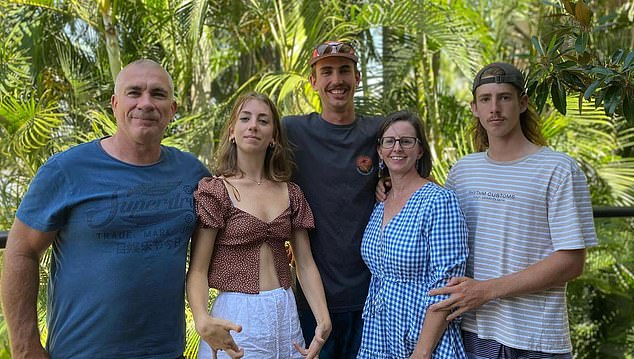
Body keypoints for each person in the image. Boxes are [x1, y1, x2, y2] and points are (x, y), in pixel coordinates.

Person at [0, 59, 222, 358]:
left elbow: (226, 233)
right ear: (115, 104)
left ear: (172, 109)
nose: (145, 103)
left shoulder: (193, 173)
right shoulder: (66, 170)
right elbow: (20, 250)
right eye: (134, 92)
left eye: (158, 94)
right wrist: (25, 348)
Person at [429, 62, 597, 358]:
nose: (495, 108)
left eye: (504, 97)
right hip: (473, 332)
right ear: (474, 108)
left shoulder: (558, 169)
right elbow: (443, 233)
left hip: (537, 339)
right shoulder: (463, 171)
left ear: (522, 103)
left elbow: (572, 262)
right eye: (485, 99)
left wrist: (486, 291)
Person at [187, 92, 331, 359]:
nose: (253, 125)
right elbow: (197, 270)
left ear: (274, 136)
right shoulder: (216, 191)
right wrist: (201, 319)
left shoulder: (291, 192)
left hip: (285, 312)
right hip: (236, 316)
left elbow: (305, 263)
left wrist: (323, 318)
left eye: (263, 120)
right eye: (245, 118)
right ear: (232, 132)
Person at [282, 41, 384, 358]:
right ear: (313, 81)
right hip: (315, 299)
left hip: (373, 297)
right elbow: (251, 164)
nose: (336, 80)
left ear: (358, 77)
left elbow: (418, 175)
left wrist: (390, 181)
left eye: (344, 70)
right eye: (326, 71)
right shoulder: (292, 131)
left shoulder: (380, 131)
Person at [357, 111, 468, 358]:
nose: (397, 148)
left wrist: (422, 352)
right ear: (380, 151)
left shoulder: (439, 202)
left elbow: (447, 285)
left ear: (420, 150)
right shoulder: (380, 204)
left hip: (424, 337)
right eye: (390, 141)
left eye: (407, 141)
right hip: (380, 334)